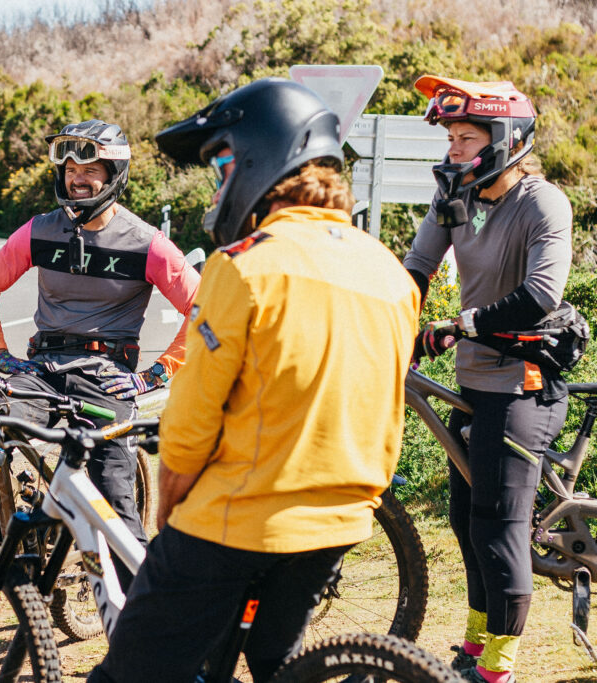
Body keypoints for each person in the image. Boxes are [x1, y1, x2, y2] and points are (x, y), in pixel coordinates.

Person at [88, 78, 420, 683]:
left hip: (236, 520)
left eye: (221, 166)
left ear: (260, 158)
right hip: (339, 521)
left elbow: (189, 428)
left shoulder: (243, 267)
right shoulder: (391, 272)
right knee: (275, 666)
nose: (219, 186)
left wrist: (169, 517)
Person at [0, 119, 201, 587]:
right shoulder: (39, 231)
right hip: (42, 369)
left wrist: (154, 376)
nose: (78, 176)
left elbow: (202, 309)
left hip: (107, 377)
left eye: (90, 166)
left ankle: (139, 620)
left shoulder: (146, 243)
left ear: (113, 174)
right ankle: (2, 535)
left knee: (115, 503)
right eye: (70, 165)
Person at [404, 75, 573, 683]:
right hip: (475, 382)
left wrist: (458, 325)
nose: (453, 150)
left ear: (504, 139)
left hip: (522, 382)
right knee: (464, 519)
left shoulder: (542, 203)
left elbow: (540, 294)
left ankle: (498, 667)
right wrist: (394, 321)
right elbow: (417, 267)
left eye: (466, 137)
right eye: (450, 137)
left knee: (499, 528)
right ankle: (477, 640)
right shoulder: (456, 199)